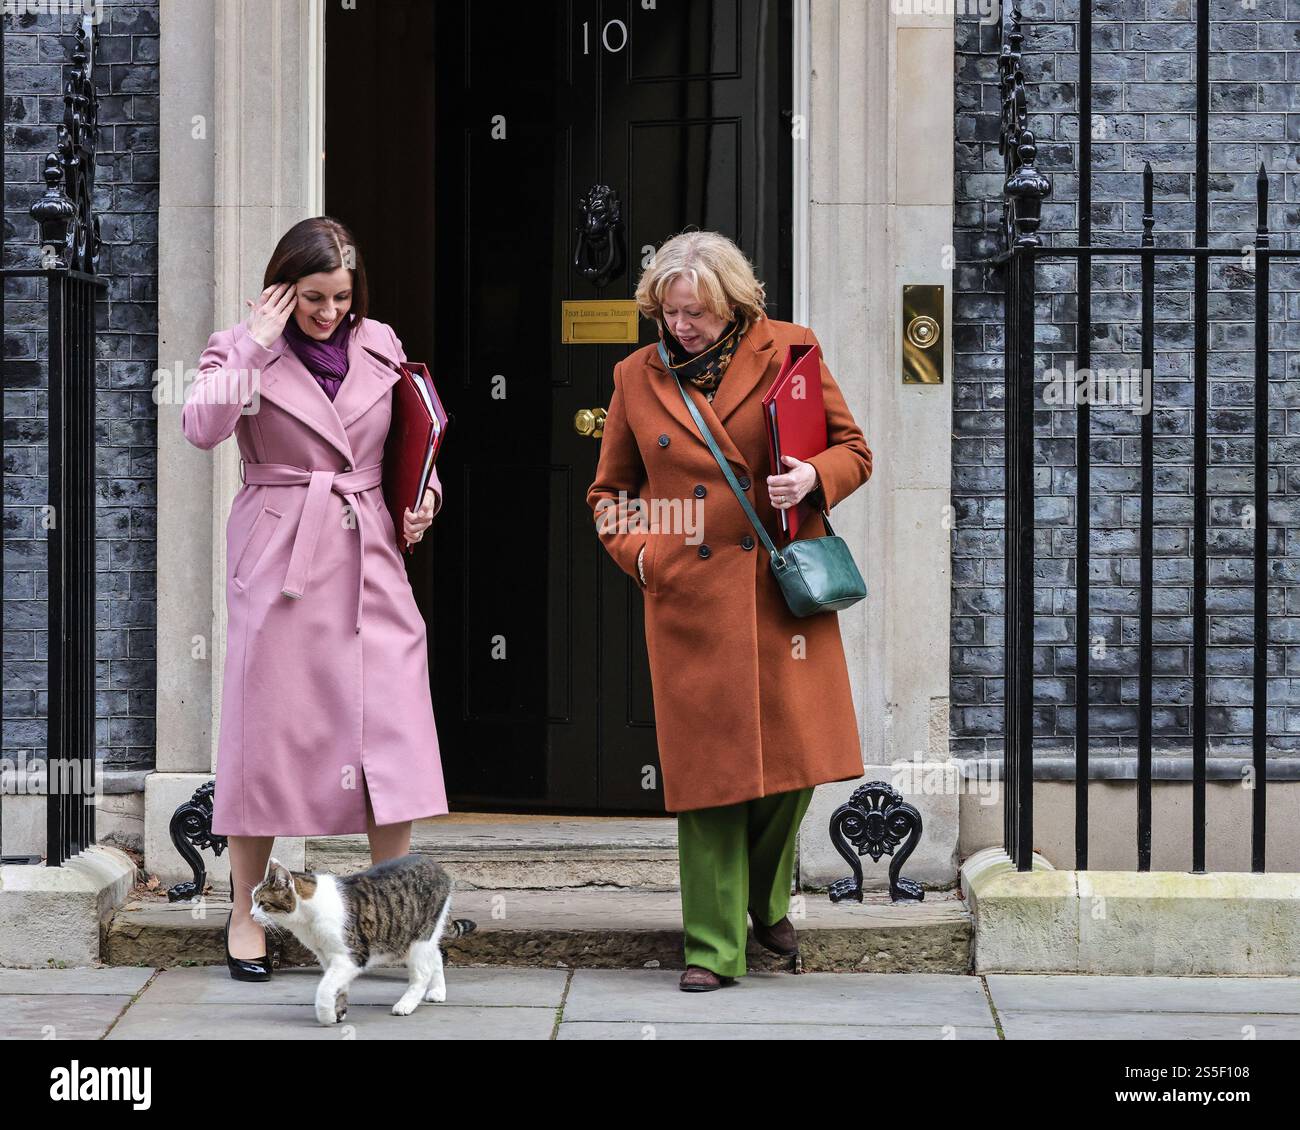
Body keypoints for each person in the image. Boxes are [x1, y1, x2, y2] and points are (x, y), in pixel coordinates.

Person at [585, 230, 873, 991]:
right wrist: (646, 555)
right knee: (710, 780)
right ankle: (713, 948)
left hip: (783, 593)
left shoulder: (791, 350)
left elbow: (855, 449)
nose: (682, 328)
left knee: (799, 764)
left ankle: (762, 896)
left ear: (734, 306)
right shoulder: (634, 376)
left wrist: (812, 477)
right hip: (691, 599)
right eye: (670, 313)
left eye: (698, 315)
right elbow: (607, 495)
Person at [180, 216, 447, 981]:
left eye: (340, 297)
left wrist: (422, 496)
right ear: (281, 289)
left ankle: (399, 913)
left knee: (387, 728)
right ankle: (246, 912)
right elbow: (202, 427)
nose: (329, 313)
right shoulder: (240, 346)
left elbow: (410, 444)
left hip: (369, 551)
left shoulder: (382, 342)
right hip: (280, 556)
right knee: (267, 736)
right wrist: (256, 346)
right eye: (311, 299)